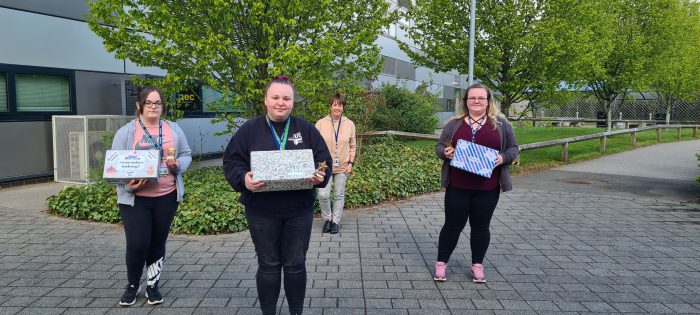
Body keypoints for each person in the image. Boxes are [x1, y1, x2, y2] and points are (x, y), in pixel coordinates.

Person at [223, 75, 332, 315]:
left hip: (298, 210)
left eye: (286, 98)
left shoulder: (306, 129)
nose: (280, 102)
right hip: (262, 211)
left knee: (295, 264)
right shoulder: (249, 130)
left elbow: (324, 160)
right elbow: (231, 162)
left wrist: (319, 174)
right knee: (269, 265)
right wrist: (244, 179)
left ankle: (296, 312)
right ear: (266, 100)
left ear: (293, 102)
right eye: (275, 97)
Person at [112, 86, 192, 306]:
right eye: (149, 103)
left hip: (166, 196)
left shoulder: (173, 129)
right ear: (139, 105)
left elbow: (186, 155)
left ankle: (152, 285)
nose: (154, 107)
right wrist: (128, 183)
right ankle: (132, 285)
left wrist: (178, 166)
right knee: (137, 244)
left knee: (157, 242)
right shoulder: (126, 133)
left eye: (158, 103)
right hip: (135, 199)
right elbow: (114, 167)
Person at [433, 83, 518, 283]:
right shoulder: (454, 123)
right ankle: (441, 263)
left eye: (481, 98)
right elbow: (439, 146)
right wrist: (445, 153)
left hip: (487, 188)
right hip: (458, 187)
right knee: (452, 226)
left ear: (488, 101)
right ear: (466, 101)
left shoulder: (501, 124)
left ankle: (477, 265)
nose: (477, 101)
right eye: (472, 98)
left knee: (480, 227)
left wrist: (503, 158)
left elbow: (513, 148)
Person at [315, 93, 356, 234]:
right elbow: (315, 145)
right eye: (334, 105)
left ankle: (335, 222)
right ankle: (327, 219)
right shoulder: (320, 123)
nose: (337, 108)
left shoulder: (350, 124)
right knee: (323, 195)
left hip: (343, 165)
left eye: (340, 105)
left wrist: (351, 162)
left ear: (343, 107)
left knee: (339, 194)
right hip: (323, 166)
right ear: (330, 106)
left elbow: (353, 145)